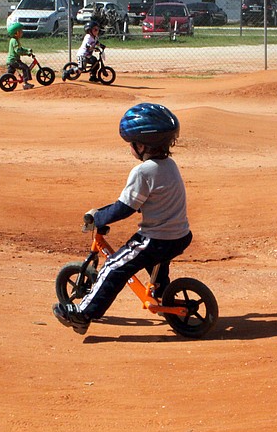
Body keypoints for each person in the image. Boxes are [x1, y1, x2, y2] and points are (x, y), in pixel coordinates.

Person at [52, 103, 192, 334]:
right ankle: (162, 294)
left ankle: (83, 314)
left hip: (156, 238)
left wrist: (98, 218)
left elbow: (125, 208)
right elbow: (150, 201)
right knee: (155, 260)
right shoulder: (169, 165)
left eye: (131, 144)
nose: (130, 148)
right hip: (179, 236)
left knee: (114, 267)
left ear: (141, 145)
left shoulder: (143, 171)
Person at [5, 21, 34, 90]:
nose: (22, 32)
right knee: (25, 68)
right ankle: (25, 83)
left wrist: (27, 50)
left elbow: (20, 48)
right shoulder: (14, 41)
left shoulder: (15, 40)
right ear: (16, 33)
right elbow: (18, 51)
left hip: (11, 60)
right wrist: (27, 53)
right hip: (14, 61)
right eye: (20, 31)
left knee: (9, 75)